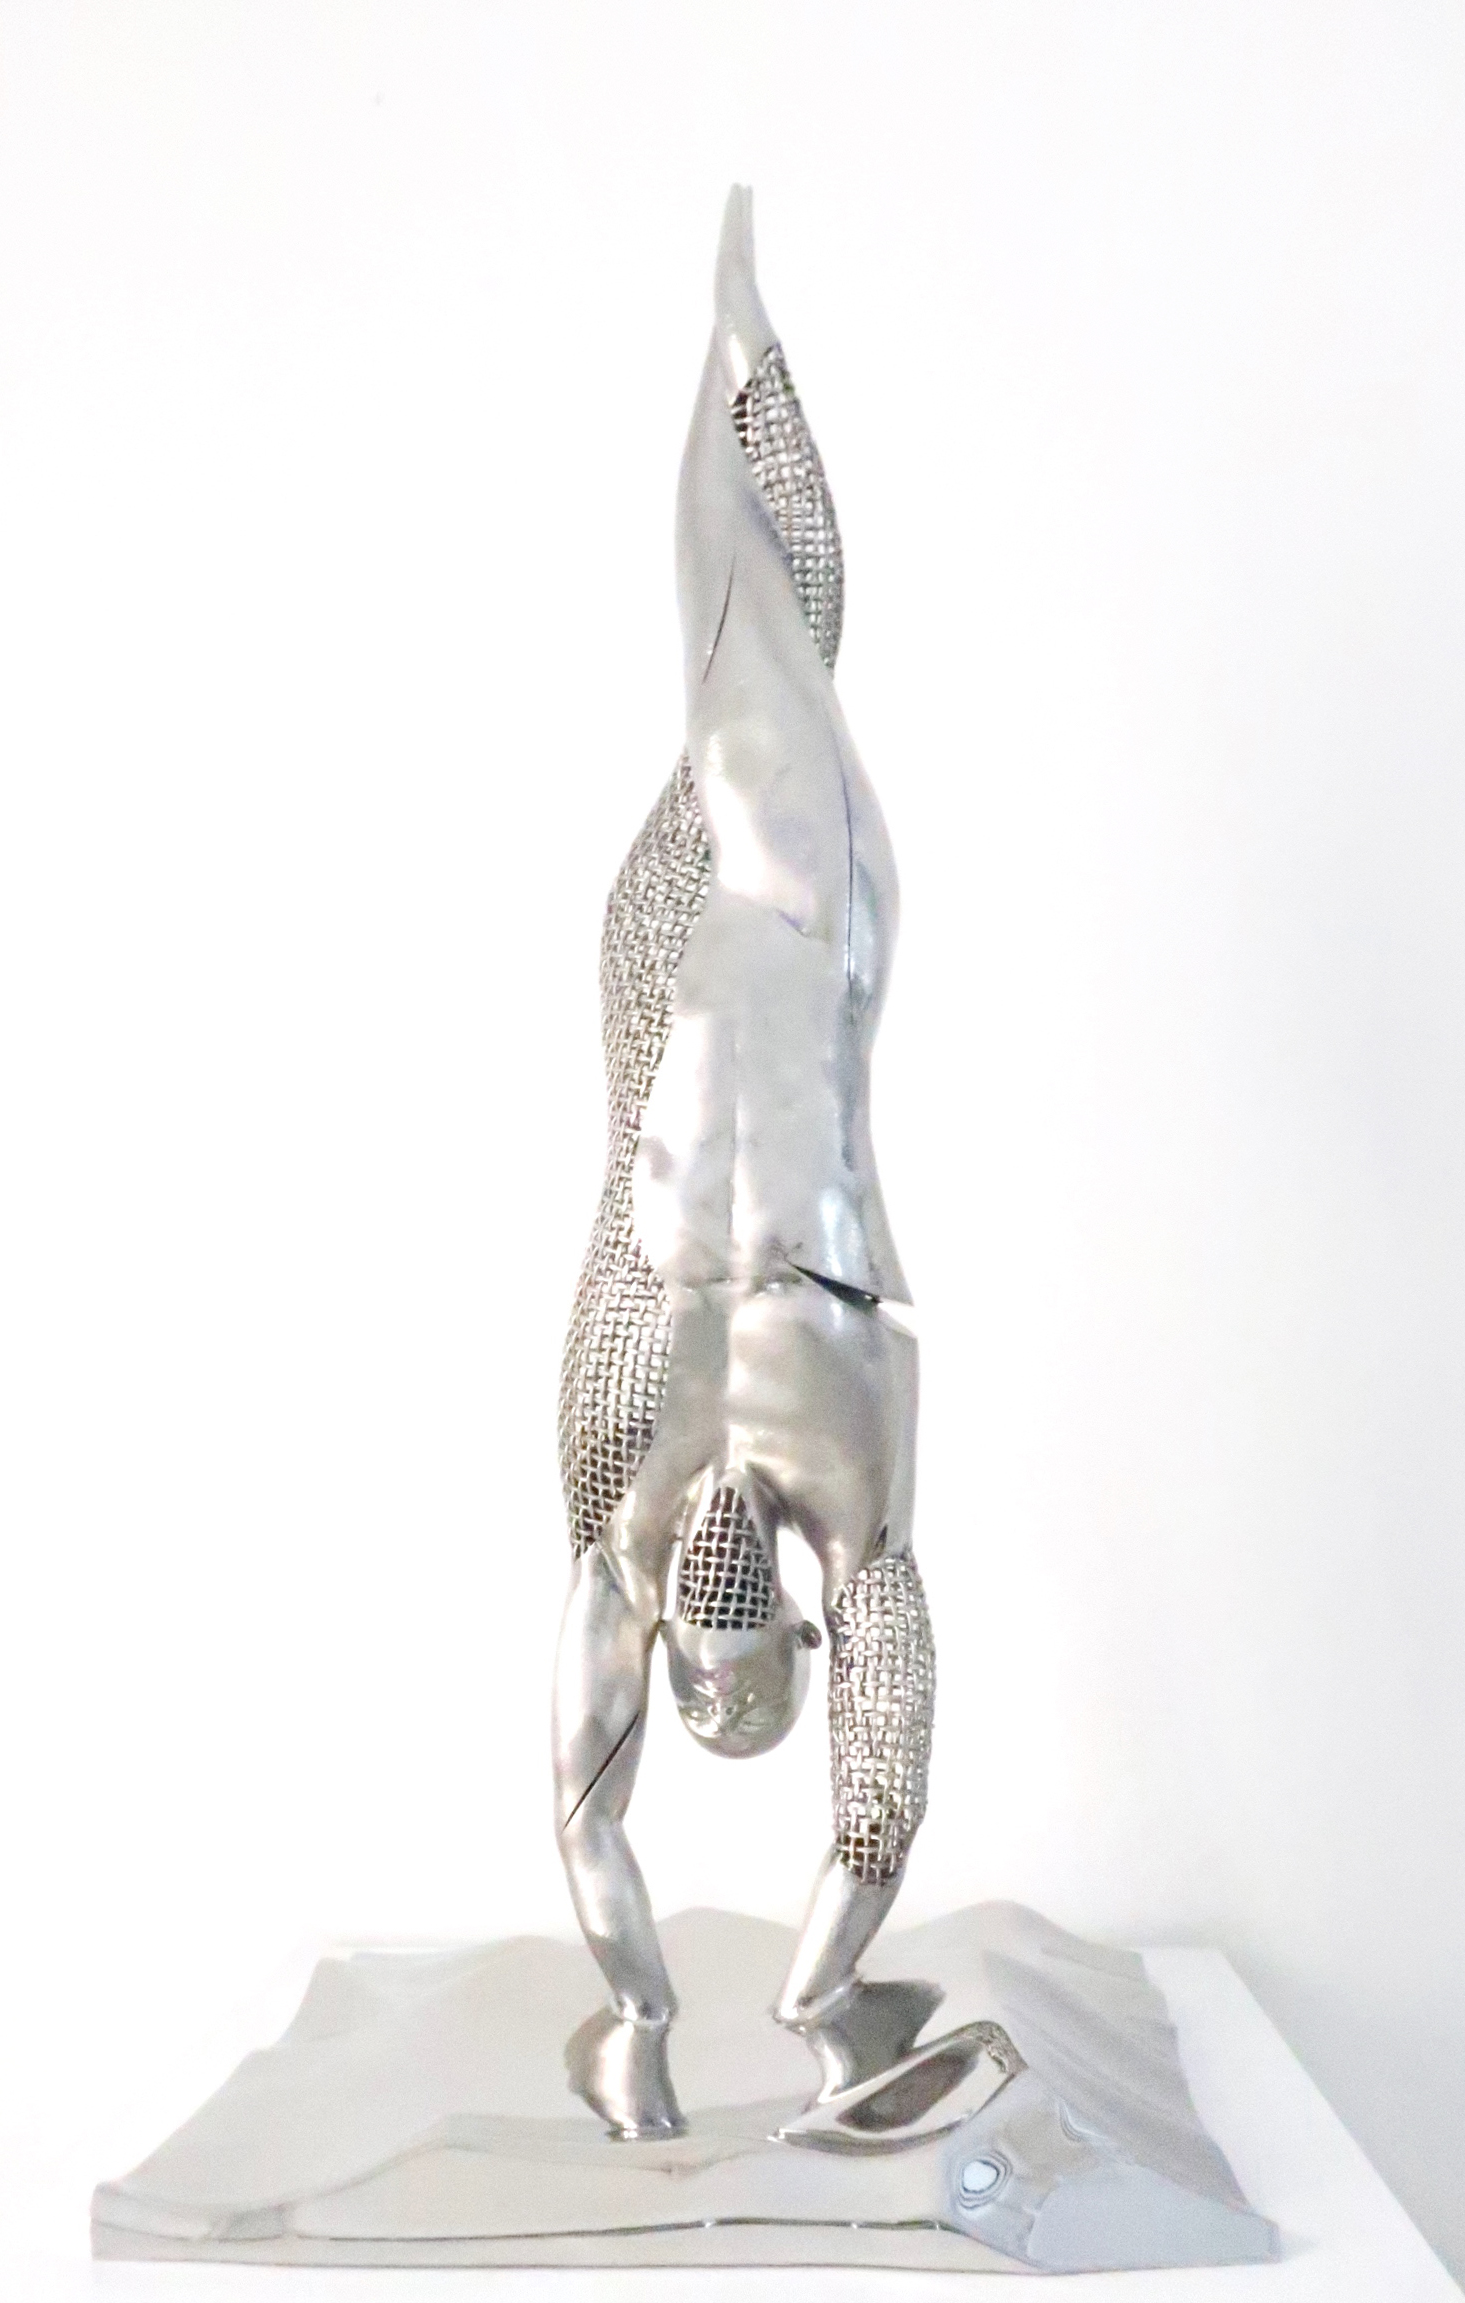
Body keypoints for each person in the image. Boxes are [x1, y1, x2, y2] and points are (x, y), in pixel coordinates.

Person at [553, 188, 936, 2139]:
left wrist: (643, 2009)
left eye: (686, 1686)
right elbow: (879, 1805)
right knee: (764, 656)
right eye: (742, 1678)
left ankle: (735, 356)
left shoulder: (609, 1505)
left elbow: (578, 1808)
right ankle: (741, 344)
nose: (710, 1659)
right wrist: (811, 1987)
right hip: (810, 930)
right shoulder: (856, 1485)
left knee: (745, 647)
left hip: (660, 982)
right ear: (793, 1631)